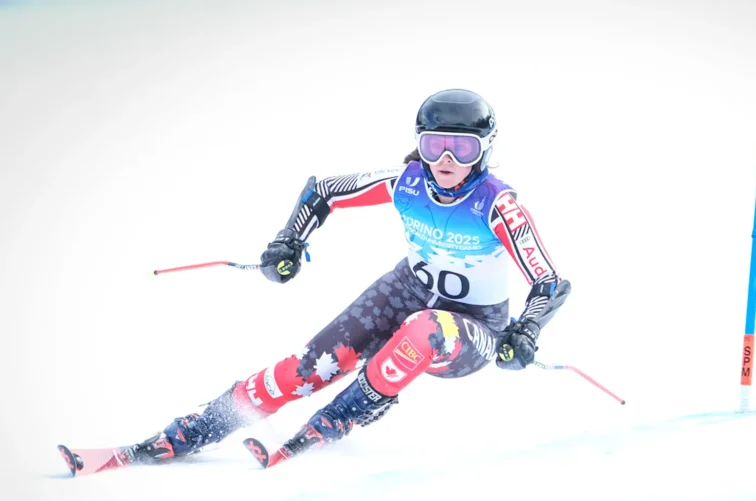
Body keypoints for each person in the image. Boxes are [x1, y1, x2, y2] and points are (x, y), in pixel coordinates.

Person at [124, 88, 571, 466]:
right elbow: (323, 192)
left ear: (486, 149)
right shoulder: (406, 182)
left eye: (463, 147)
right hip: (407, 291)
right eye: (435, 146)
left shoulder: (496, 205)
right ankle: (206, 424)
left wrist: (526, 330)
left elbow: (548, 282)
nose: (447, 159)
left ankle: (343, 414)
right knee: (309, 367)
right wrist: (289, 242)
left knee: (424, 330)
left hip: (474, 329)